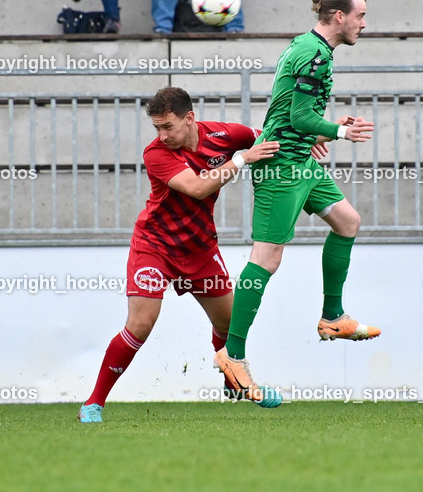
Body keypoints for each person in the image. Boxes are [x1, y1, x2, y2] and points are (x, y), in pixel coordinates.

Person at [214, 0, 380, 403]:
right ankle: (233, 355)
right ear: (339, 16)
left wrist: (316, 132)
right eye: (361, 15)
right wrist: (340, 131)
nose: (365, 23)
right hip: (280, 168)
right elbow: (297, 115)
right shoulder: (314, 54)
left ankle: (332, 316)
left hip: (299, 159)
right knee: (267, 257)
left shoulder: (309, 46)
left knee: (348, 221)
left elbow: (294, 112)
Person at [78, 87, 282, 423]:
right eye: (157, 128)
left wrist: (323, 132)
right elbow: (199, 187)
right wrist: (242, 158)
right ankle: (93, 403)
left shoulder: (224, 134)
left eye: (168, 127)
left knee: (230, 323)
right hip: (155, 246)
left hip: (199, 248)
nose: (162, 135)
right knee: (141, 323)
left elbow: (269, 136)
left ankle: (234, 381)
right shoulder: (155, 154)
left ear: (190, 118)